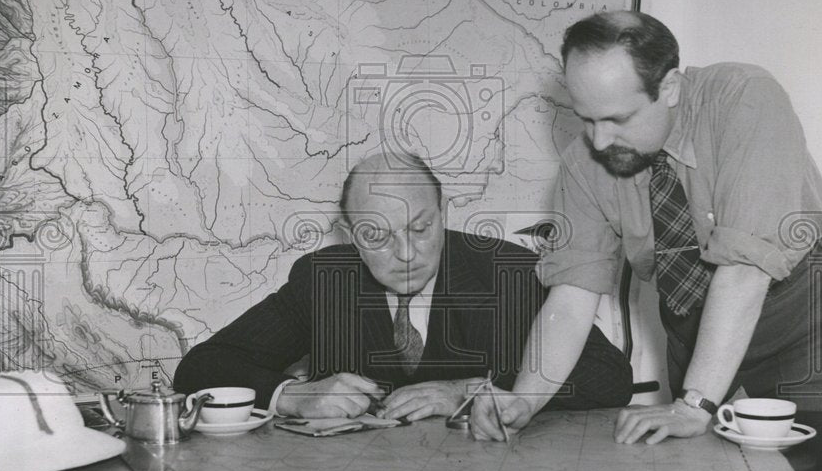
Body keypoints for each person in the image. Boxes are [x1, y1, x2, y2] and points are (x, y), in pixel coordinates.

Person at [472, 10, 822, 443]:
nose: (599, 142)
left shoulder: (746, 98)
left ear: (669, 88)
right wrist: (525, 399)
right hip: (696, 314)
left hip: (803, 306)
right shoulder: (582, 161)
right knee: (692, 464)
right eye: (586, 119)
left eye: (617, 119)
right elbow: (572, 294)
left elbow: (745, 270)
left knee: (809, 466)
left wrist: (694, 403)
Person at [174, 153, 632, 420]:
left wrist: (470, 391)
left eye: (420, 228)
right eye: (377, 235)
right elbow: (201, 368)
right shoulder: (322, 279)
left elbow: (610, 379)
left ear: (443, 212)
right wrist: (293, 396)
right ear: (350, 234)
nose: (406, 253)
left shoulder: (506, 271)